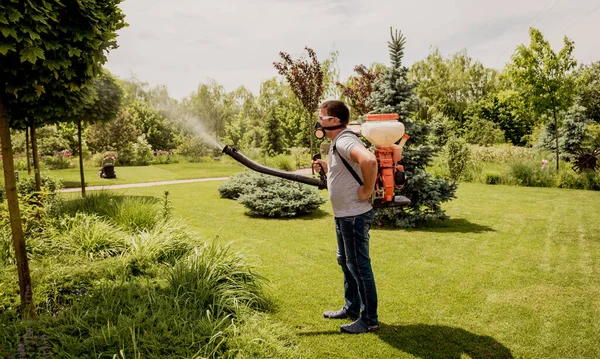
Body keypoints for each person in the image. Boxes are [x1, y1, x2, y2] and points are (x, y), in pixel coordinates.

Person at [312, 100, 380, 334]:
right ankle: (352, 308)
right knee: (345, 261)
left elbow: (369, 161)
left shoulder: (344, 139)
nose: (318, 121)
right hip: (344, 215)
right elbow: (347, 172)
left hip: (353, 216)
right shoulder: (336, 143)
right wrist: (327, 168)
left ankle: (369, 319)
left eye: (322, 117)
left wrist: (367, 190)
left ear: (334, 121)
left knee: (359, 266)